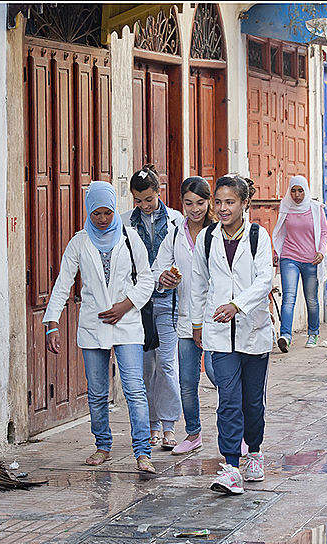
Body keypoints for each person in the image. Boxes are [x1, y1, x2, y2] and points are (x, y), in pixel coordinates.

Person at [44, 181, 157, 473]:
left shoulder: (130, 238)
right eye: (97, 213)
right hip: (94, 326)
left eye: (108, 212)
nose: (103, 219)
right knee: (96, 391)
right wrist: (52, 322)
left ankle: (143, 451)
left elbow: (146, 279)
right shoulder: (79, 242)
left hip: (128, 324)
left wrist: (126, 305)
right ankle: (103, 444)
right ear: (88, 212)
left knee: (134, 388)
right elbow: (63, 283)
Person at [191, 174, 273, 495]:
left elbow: (264, 280)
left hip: (253, 330)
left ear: (244, 203)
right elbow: (198, 283)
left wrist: (237, 305)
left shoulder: (258, 236)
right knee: (228, 400)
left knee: (252, 401)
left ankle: (253, 450)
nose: (223, 208)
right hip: (219, 333)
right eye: (219, 202)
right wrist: (196, 324)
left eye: (230, 202)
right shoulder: (207, 238)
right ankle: (230, 465)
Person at [154, 176, 218, 455]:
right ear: (181, 203)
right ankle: (193, 434)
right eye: (188, 203)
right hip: (183, 320)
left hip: (216, 319)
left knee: (221, 378)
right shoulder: (175, 233)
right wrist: (163, 278)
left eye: (200, 203)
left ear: (209, 203)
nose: (194, 209)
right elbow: (158, 267)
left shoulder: (218, 233)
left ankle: (235, 433)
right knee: (187, 382)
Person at [123, 165, 185, 451]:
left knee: (168, 364)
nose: (144, 206)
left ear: (158, 192)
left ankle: (170, 423)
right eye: (138, 201)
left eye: (148, 199)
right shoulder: (125, 224)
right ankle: (152, 425)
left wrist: (168, 276)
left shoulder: (176, 220)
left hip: (166, 303)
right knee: (145, 367)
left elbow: (181, 259)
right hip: (139, 306)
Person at [271, 175, 327, 352]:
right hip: (289, 257)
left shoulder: (315, 208)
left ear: (306, 190)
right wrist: (277, 252)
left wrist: (321, 251)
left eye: (300, 190)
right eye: (293, 190)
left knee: (311, 299)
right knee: (289, 297)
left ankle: (313, 333)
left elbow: (324, 233)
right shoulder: (286, 207)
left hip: (311, 260)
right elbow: (280, 232)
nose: (297, 195)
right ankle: (285, 336)